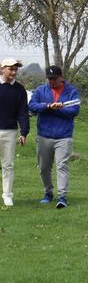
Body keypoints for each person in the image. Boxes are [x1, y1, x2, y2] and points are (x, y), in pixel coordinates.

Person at [28, 65, 80, 208]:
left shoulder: (71, 91)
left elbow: (74, 110)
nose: (52, 82)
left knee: (62, 165)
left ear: (61, 77)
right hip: (44, 135)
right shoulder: (41, 90)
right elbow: (32, 106)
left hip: (63, 136)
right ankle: (48, 193)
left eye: (54, 79)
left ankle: (62, 196)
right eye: (49, 79)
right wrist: (48, 107)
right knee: (44, 167)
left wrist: (58, 109)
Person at [0, 58, 30, 207]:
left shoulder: (19, 89)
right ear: (2, 69)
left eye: (15, 69)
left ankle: (7, 195)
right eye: (10, 69)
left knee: (8, 165)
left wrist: (24, 132)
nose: (13, 72)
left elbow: (22, 113)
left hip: (10, 132)